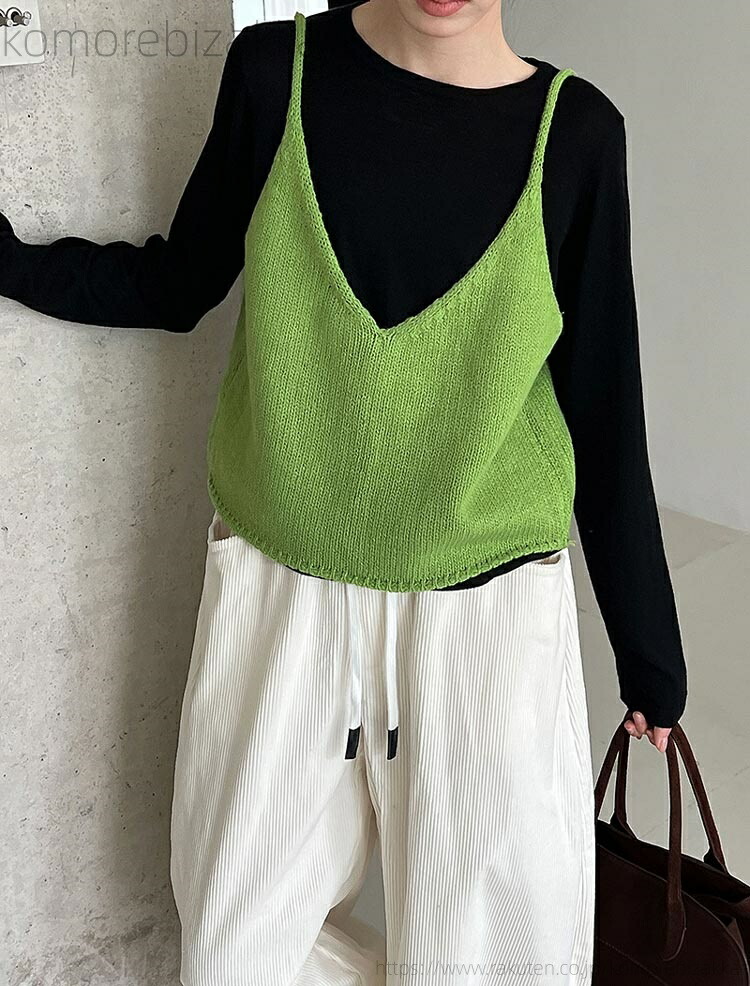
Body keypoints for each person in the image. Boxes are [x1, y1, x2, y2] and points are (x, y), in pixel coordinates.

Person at [0, 0, 688, 982]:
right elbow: (179, 284)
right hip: (280, 597)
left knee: (485, 963)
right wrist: (9, 261)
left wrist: (649, 652)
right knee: (237, 952)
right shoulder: (273, 74)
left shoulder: (575, 134)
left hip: (486, 621)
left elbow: (604, 403)